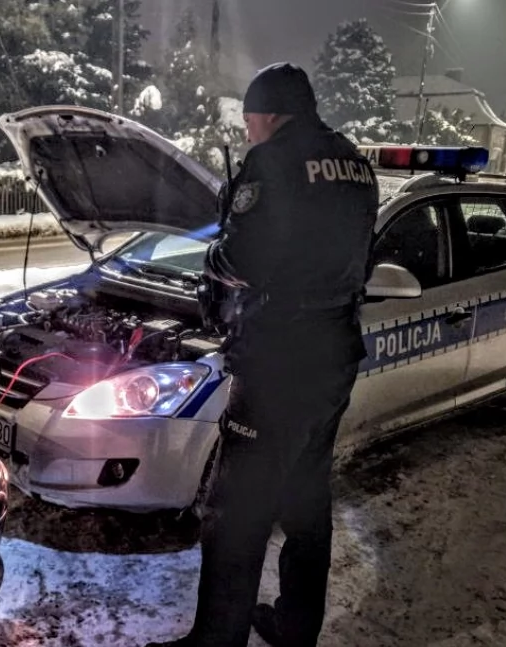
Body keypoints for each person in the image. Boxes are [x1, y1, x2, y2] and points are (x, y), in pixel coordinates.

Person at [149, 63, 379, 647]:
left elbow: (241, 259)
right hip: (335, 353)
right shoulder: (354, 162)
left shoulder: (272, 161)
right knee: (307, 499)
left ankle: (215, 640)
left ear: (270, 114)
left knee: (236, 512)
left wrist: (214, 261)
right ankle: (296, 627)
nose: (248, 130)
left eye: (251, 119)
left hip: (279, 358)